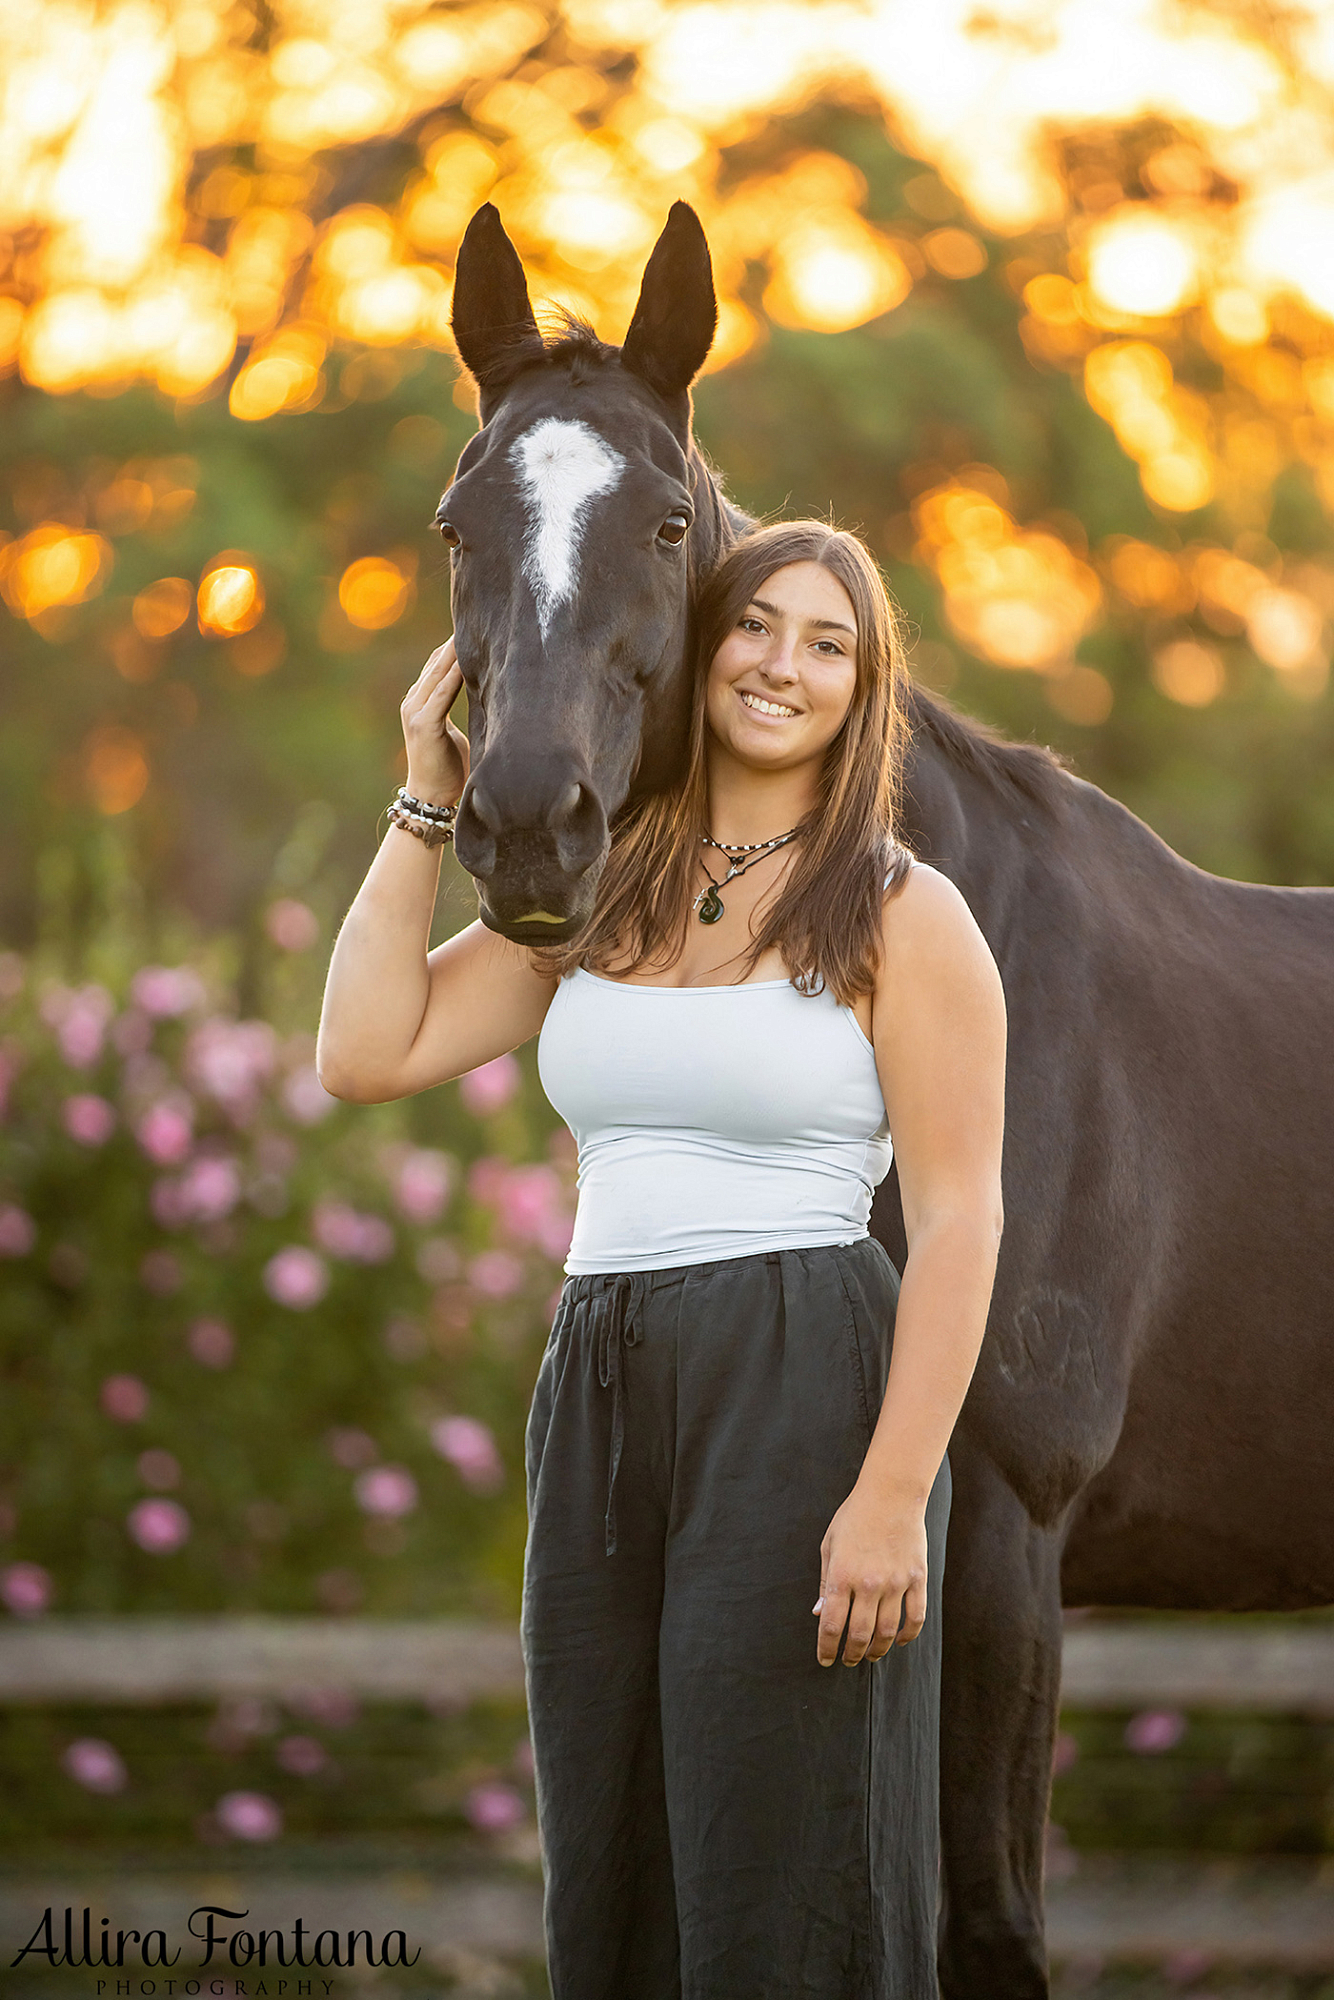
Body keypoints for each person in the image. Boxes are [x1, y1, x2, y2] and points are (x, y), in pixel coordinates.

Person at [317, 519, 1007, 2000]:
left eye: (828, 643)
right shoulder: (603, 888)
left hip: (805, 1376)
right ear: (699, 653)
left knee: (788, 1842)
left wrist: (889, 1501)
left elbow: (959, 1219)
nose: (781, 664)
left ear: (863, 688)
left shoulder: (901, 912)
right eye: (756, 626)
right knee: (609, 1818)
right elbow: (364, 1051)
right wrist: (425, 799)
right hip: (604, 1376)